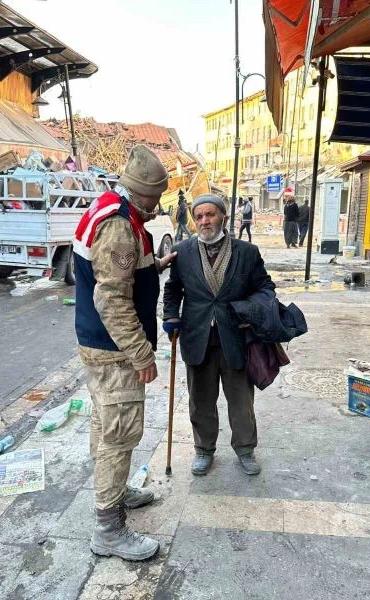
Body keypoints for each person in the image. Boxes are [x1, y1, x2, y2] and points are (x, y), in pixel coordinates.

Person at [72, 144, 176, 561]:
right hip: (115, 352)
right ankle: (108, 530)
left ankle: (115, 493)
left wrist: (157, 266)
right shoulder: (119, 226)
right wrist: (141, 355)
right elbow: (112, 299)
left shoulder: (114, 208)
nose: (157, 207)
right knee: (119, 433)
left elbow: (123, 273)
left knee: (105, 425)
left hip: (99, 347)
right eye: (155, 199)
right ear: (143, 194)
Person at [162, 195, 275, 477]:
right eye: (198, 216)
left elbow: (265, 288)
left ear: (223, 216)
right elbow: (173, 289)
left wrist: (251, 311)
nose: (204, 221)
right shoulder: (183, 251)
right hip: (196, 335)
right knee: (200, 399)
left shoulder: (246, 252)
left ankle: (245, 449)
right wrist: (170, 316)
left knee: (241, 400)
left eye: (210, 215)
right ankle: (203, 450)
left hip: (235, 336)